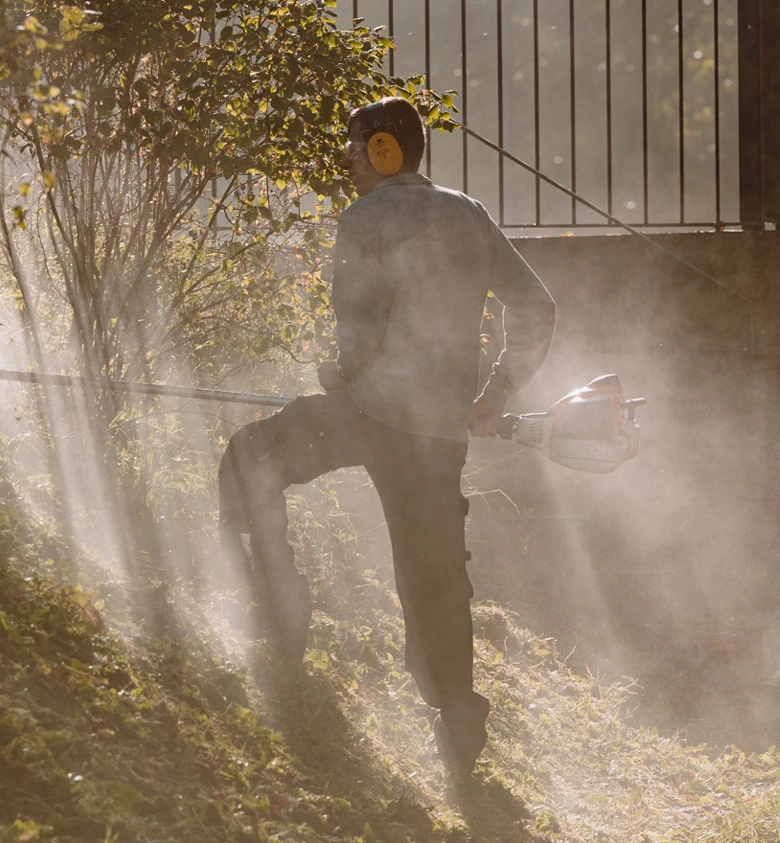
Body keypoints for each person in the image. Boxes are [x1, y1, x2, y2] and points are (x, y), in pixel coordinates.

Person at [217, 96, 556, 777]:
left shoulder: (365, 217)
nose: (346, 156)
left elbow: (361, 330)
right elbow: (537, 306)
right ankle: (458, 716)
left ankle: (281, 615)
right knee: (434, 579)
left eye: (356, 143)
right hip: (437, 435)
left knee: (250, 457)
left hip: (369, 414)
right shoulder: (470, 213)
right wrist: (494, 393)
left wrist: (337, 369)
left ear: (384, 150)